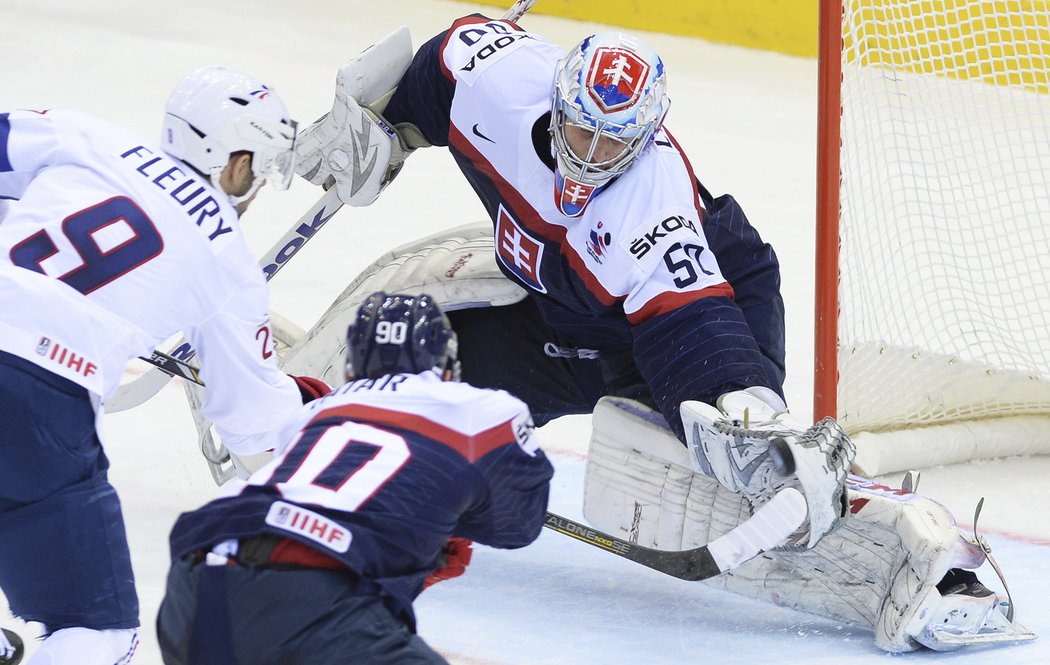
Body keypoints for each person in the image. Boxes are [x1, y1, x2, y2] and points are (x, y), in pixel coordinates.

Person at [291, 16, 852, 546]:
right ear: (558, 102)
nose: (590, 156)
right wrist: (389, 126)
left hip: (697, 311)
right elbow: (441, 64)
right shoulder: (498, 82)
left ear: (645, 137)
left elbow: (693, 327)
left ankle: (788, 475)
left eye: (614, 143)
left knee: (708, 455)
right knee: (438, 393)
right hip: (568, 317)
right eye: (582, 131)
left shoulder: (650, 209)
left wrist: (744, 425)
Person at [0, 67, 327, 663]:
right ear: (235, 161)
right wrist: (329, 416)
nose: (255, 189)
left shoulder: (87, 137)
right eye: (260, 171)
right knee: (93, 633)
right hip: (42, 399)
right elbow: (253, 420)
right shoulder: (227, 259)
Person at [156, 292, 553, 664]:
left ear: (352, 366)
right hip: (312, 593)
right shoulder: (485, 410)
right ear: (448, 367)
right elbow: (517, 527)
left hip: (195, 582)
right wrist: (444, 522)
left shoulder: (316, 412)